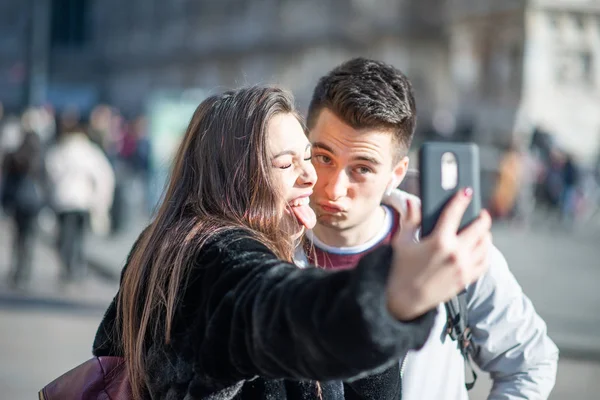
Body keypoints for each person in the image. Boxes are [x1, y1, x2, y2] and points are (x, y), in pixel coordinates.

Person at [92, 86, 492, 399]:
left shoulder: (172, 239)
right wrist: (391, 296)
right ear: (234, 179)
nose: (310, 178)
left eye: (308, 157)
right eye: (285, 164)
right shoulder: (214, 258)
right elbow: (277, 311)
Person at [303, 58, 559, 400]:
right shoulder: (266, 248)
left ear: (396, 174)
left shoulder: (450, 248)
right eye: (324, 158)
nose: (334, 189)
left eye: (362, 168)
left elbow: (531, 362)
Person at [45, 114, 115, 281]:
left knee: (65, 235)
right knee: (79, 235)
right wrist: (100, 200)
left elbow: (50, 172)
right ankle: (76, 265)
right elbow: (104, 175)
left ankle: (67, 266)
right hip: (83, 201)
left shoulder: (59, 150)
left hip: (63, 200)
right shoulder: (90, 151)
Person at [1, 131, 45, 288]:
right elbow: (44, 181)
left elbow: (7, 181)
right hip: (32, 203)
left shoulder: (14, 156)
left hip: (18, 202)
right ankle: (25, 270)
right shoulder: (38, 157)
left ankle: (17, 270)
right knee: (28, 237)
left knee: (18, 237)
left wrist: (5, 202)